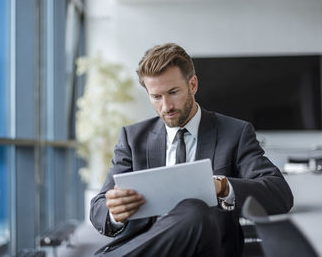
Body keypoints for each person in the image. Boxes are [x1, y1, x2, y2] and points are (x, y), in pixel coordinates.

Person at [90, 43, 293, 257]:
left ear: (193, 84)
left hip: (207, 249)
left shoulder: (234, 133)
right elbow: (98, 208)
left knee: (194, 210)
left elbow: (279, 195)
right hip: (149, 248)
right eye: (156, 97)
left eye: (173, 92)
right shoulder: (133, 138)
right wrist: (115, 212)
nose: (166, 106)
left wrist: (222, 187)